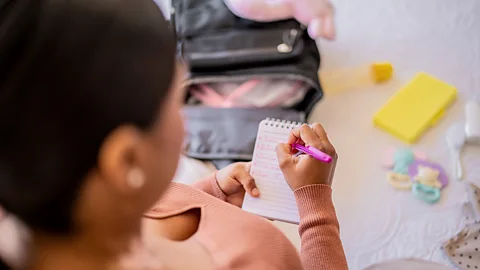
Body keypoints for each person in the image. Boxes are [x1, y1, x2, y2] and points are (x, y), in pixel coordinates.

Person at [0, 0, 348, 269]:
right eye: (175, 102)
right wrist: (315, 202)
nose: (185, 118)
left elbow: (153, 208)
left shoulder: (76, 209)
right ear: (127, 159)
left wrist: (209, 196)